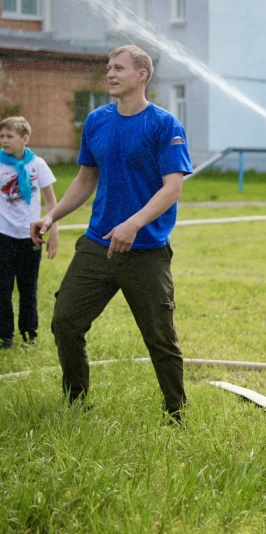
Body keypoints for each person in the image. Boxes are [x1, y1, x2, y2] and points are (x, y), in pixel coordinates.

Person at [30, 44, 192, 421]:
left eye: (119, 68)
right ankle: (77, 403)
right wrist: (51, 216)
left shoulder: (165, 124)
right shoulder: (97, 121)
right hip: (98, 244)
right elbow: (86, 179)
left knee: (160, 338)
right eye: (108, 67)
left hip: (147, 248)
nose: (110, 73)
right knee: (65, 323)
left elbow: (173, 188)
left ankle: (176, 414)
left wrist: (134, 223)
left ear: (142, 75)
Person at [0, 116, 58, 349]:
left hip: (31, 237)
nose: (4, 140)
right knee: (3, 287)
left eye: (9, 136)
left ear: (25, 139)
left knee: (28, 287)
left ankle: (28, 333)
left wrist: (54, 233)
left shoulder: (38, 165)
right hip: (3, 235)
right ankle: (5, 336)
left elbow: (51, 201)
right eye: (2, 136)